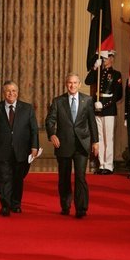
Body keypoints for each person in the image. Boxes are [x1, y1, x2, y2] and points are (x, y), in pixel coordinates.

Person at [45, 72, 99, 218]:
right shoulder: (58, 101)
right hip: (63, 144)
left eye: (75, 83)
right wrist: (52, 134)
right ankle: (65, 205)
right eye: (70, 83)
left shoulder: (87, 100)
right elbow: (50, 120)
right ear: (66, 84)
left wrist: (95, 141)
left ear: (79, 84)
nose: (72, 85)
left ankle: (81, 208)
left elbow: (92, 122)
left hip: (82, 144)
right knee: (64, 177)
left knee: (80, 177)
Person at [0, 80, 39, 217]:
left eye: (14, 91)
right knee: (3, 178)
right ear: (4, 93)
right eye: (8, 91)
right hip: (1, 150)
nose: (11, 93)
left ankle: (16, 204)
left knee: (17, 179)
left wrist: (34, 146)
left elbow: (34, 130)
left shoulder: (27, 108)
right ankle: (5, 205)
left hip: (21, 151)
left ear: (18, 92)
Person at [85, 50, 122, 174]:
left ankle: (109, 165)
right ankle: (101, 164)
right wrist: (95, 68)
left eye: (106, 58)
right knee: (99, 137)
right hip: (97, 108)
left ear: (112, 59)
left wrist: (104, 105)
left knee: (108, 138)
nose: (104, 60)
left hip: (109, 109)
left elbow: (118, 95)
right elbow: (87, 81)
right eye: (103, 58)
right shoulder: (99, 72)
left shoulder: (116, 74)